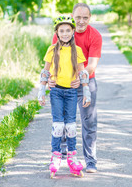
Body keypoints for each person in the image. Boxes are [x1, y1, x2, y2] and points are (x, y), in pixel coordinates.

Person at [49, 3, 102, 173]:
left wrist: (79, 78)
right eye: (78, 17)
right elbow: (53, 61)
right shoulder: (62, 32)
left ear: (89, 18)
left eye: (85, 18)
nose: (81, 21)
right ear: (72, 16)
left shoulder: (94, 35)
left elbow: (91, 66)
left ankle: (91, 161)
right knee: (64, 121)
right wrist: (51, 79)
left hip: (86, 81)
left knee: (89, 122)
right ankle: (63, 155)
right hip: (64, 84)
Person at [38, 15, 91, 178]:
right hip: (56, 92)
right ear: (57, 33)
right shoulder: (52, 50)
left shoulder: (78, 51)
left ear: (73, 32)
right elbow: (46, 70)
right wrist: (42, 89)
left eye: (68, 30)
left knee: (71, 126)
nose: (65, 33)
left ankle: (72, 158)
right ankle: (55, 156)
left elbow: (82, 72)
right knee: (58, 125)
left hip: (71, 92)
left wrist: (86, 90)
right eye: (62, 31)